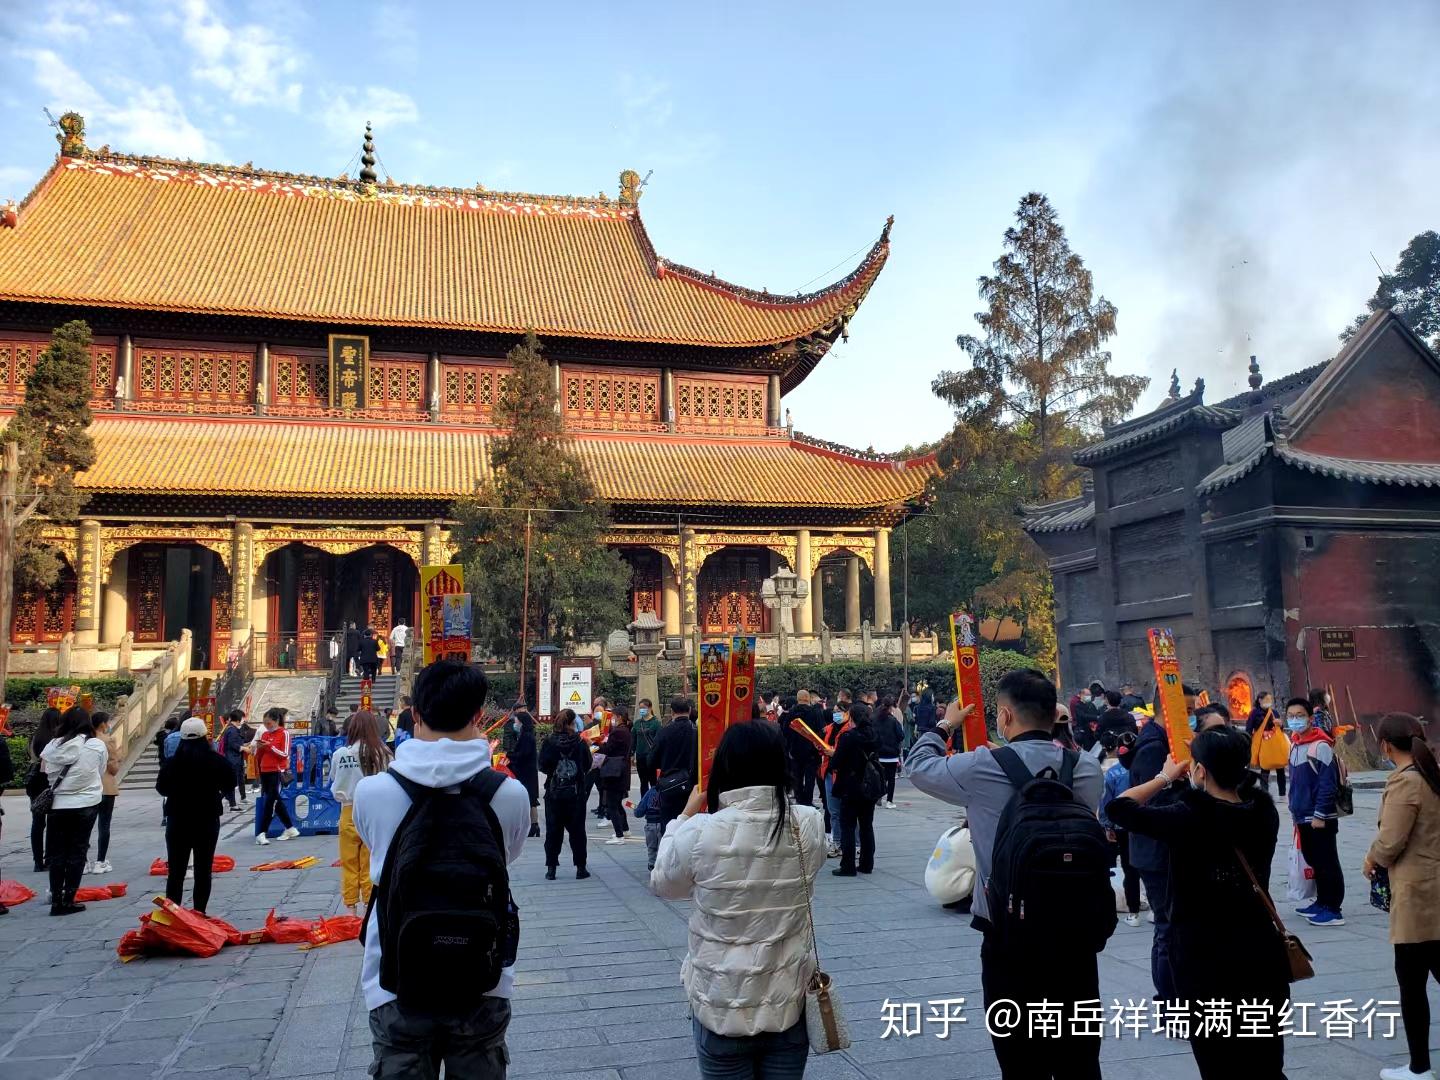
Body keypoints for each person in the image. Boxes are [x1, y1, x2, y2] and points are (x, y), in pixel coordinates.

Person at [906, 669, 1106, 1080]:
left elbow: (918, 766)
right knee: (1080, 1063)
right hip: (1075, 939)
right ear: (1054, 714)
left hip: (1009, 938)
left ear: (1004, 716)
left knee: (1020, 1064)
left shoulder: (981, 767)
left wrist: (946, 723)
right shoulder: (1086, 769)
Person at [353, 660, 530, 1079]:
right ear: (477, 716)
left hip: (394, 974)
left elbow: (374, 847)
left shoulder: (372, 791)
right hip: (482, 977)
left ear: (414, 714)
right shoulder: (509, 794)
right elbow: (509, 857)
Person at [1106, 727, 1289, 1078]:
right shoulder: (1264, 813)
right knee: (1266, 1059)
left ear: (1199, 771)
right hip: (1260, 949)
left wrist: (1165, 775)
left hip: (1204, 956)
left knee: (1219, 1060)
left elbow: (1120, 807)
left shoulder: (1187, 817)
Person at [650, 720, 825, 1080]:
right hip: (787, 1003)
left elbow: (664, 884)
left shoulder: (701, 830)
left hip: (720, 1004)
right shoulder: (807, 823)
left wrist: (682, 816)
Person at [1362, 713, 1440, 1080]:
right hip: (1432, 891)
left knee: (1411, 984)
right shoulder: (1430, 775)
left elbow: (1391, 841)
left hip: (1417, 895)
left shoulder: (1407, 783)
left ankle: (1419, 1067)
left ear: (1385, 746)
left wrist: (1371, 858)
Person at [1127, 681, 1200, 998]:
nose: (1192, 717)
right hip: (1157, 854)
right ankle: (1170, 1001)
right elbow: (1146, 806)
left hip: (1167, 851)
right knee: (1167, 928)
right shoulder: (1154, 749)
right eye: (1187, 711)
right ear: (1168, 710)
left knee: (1176, 926)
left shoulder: (1170, 743)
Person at [155, 716, 234, 914]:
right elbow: (230, 782)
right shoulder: (216, 761)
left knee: (176, 872)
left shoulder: (172, 763)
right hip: (207, 819)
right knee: (203, 870)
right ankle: (199, 912)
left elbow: (161, 788)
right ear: (204, 736)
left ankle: (173, 915)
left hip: (177, 819)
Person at [40, 707, 109, 916]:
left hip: (58, 805)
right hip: (85, 803)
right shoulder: (96, 745)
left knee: (57, 853)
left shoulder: (52, 746)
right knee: (77, 851)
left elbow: (45, 772)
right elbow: (101, 770)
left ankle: (56, 900)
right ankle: (69, 899)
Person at [1286, 695, 1344, 925]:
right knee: (1314, 859)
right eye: (1291, 716)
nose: (1295, 720)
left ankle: (1333, 908)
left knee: (1327, 861)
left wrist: (1320, 814)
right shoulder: (1295, 745)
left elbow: (1327, 785)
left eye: (1299, 716)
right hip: (1302, 815)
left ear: (1311, 718)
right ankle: (1322, 901)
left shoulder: (1321, 746)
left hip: (1320, 817)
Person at [331, 709, 393, 917]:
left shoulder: (341, 754)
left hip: (348, 809)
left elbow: (334, 779)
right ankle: (369, 903)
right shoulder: (383, 753)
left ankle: (350, 906)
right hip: (374, 810)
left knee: (348, 860)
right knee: (370, 858)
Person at [539, 707, 593, 879]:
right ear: (572, 723)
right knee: (577, 831)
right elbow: (587, 764)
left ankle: (551, 869)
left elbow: (542, 765)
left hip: (554, 792)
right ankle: (580, 868)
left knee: (553, 830)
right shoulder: (580, 742)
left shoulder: (549, 741)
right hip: (576, 792)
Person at [828, 701, 880, 876]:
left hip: (850, 785)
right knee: (866, 826)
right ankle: (867, 863)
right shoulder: (874, 735)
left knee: (848, 826)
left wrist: (833, 756)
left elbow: (836, 763)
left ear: (852, 718)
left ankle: (848, 865)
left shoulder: (849, 737)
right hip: (869, 785)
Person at [1098, 723, 1142, 926]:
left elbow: (1107, 802)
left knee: (1129, 867)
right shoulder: (1148, 768)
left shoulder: (1114, 774)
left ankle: (1133, 912)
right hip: (1145, 823)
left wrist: (1107, 826)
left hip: (1123, 827)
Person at [246, 708, 300, 846]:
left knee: (271, 800)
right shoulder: (264, 735)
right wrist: (258, 749)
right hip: (265, 769)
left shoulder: (284, 734)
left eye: (269, 723)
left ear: (276, 721)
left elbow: (284, 754)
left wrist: (269, 746)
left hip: (277, 770)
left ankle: (262, 832)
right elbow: (260, 755)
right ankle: (289, 828)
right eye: (265, 723)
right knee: (275, 800)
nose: (267, 726)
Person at [650, 696, 696, 831]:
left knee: (668, 825)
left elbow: (651, 760)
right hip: (691, 786)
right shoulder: (696, 732)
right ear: (690, 710)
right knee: (689, 825)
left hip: (668, 784)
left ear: (672, 711)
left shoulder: (664, 732)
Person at [26, 707, 63, 872]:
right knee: (53, 822)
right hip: (51, 781)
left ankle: (37, 861)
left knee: (37, 822)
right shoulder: (57, 739)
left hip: (35, 783)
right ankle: (50, 857)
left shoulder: (35, 737)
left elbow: (31, 756)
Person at [85, 712, 121, 874]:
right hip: (105, 785)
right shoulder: (108, 740)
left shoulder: (84, 739)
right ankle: (100, 861)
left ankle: (84, 861)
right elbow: (113, 766)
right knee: (104, 825)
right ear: (103, 724)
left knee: (84, 827)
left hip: (87, 786)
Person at [595, 704, 633, 845]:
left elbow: (609, 749)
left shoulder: (618, 732)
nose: (612, 720)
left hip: (614, 772)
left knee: (612, 804)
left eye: (614, 717)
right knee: (617, 803)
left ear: (619, 717)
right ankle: (625, 829)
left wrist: (596, 744)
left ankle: (619, 835)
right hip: (622, 770)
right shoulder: (626, 730)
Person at [503, 707, 540, 839]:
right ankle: (534, 826)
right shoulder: (524, 735)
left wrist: (510, 756)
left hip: (526, 772)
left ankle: (533, 825)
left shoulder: (527, 737)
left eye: (517, 722)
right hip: (526, 771)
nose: (515, 724)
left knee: (530, 799)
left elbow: (523, 755)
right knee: (530, 799)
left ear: (522, 723)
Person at [781, 690, 822, 807]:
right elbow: (821, 730)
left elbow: (785, 731)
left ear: (798, 699)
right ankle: (808, 800)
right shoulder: (815, 712)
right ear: (808, 698)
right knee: (810, 778)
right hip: (812, 751)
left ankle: (799, 799)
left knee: (797, 776)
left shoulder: (791, 713)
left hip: (795, 750)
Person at [1246, 690, 1286, 796]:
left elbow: (1281, 729)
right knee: (1265, 768)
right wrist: (1248, 742)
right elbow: (1249, 729)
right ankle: (1265, 793)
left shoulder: (1274, 712)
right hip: (1263, 743)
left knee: (1280, 767)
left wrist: (1280, 724)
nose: (1269, 701)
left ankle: (1282, 793)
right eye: (1266, 699)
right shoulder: (1254, 713)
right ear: (1260, 700)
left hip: (1276, 743)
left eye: (1270, 699)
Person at [874, 694, 904, 809]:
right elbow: (901, 735)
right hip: (891, 755)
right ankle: (889, 801)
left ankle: (878, 796)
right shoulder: (893, 720)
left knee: (880, 777)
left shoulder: (875, 719)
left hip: (878, 754)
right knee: (891, 779)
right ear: (891, 707)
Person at [219, 710, 250, 811]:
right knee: (231, 783)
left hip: (236, 759)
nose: (243, 720)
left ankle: (231, 803)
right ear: (238, 719)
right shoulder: (232, 730)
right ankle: (231, 804)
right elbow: (233, 745)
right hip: (233, 760)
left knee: (232, 782)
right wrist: (244, 748)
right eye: (242, 718)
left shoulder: (232, 729)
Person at [632, 699, 660, 800]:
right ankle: (643, 803)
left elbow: (658, 741)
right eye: (640, 708)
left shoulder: (656, 723)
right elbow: (633, 740)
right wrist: (632, 754)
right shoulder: (637, 723)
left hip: (651, 756)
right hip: (640, 756)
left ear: (650, 708)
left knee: (653, 781)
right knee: (643, 781)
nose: (642, 710)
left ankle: (653, 803)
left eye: (644, 708)